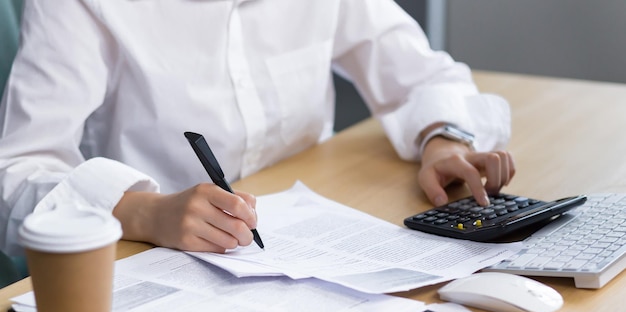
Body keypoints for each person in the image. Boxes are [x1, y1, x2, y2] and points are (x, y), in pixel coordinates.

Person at [0, 0, 515, 257]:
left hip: (309, 248)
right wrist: (142, 212)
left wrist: (443, 136)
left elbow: (421, 72)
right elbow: (15, 171)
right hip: (153, 261)